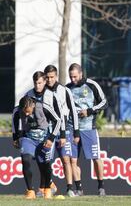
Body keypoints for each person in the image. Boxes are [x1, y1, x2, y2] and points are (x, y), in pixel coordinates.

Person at [66, 63, 108, 196]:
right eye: (71, 77)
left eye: (75, 76)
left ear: (81, 74)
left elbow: (104, 103)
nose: (73, 80)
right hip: (72, 128)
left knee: (96, 158)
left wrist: (89, 111)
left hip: (89, 128)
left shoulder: (92, 85)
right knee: (73, 160)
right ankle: (79, 188)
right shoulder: (67, 88)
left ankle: (101, 187)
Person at [12, 96, 61, 199]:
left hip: (44, 139)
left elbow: (58, 120)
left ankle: (47, 189)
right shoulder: (18, 110)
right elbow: (15, 122)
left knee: (45, 165)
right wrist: (15, 137)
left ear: (33, 105)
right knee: (25, 159)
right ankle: (30, 191)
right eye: (24, 111)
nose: (26, 114)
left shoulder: (43, 107)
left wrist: (51, 138)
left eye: (28, 111)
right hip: (28, 138)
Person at [44, 65, 80, 197]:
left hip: (65, 130)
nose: (49, 80)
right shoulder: (43, 91)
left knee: (66, 159)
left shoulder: (64, 90)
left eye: (52, 77)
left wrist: (76, 132)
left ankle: (70, 188)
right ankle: (49, 185)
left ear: (56, 76)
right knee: (46, 160)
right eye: (47, 77)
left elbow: (74, 112)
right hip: (48, 130)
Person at [25, 71, 62, 196]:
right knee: (38, 161)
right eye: (35, 83)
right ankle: (48, 184)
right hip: (33, 134)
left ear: (45, 82)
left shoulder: (52, 95)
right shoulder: (28, 95)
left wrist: (60, 134)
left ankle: (45, 187)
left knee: (45, 161)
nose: (37, 85)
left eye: (40, 83)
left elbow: (59, 116)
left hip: (50, 133)